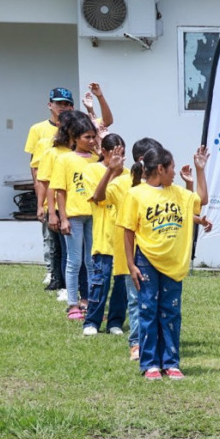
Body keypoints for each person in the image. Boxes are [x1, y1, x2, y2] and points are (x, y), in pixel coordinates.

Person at [120, 145, 208, 380]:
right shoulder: (135, 194)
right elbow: (128, 230)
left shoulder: (177, 193)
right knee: (148, 310)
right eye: (172, 168)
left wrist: (200, 170)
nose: (174, 173)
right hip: (146, 261)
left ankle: (171, 362)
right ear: (160, 168)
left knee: (171, 312)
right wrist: (131, 264)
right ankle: (149, 364)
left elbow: (202, 199)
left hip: (173, 262)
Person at [48, 114, 99, 320]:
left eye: (94, 137)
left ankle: (90, 301)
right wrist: (63, 217)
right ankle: (72, 303)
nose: (92, 141)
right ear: (76, 138)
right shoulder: (65, 159)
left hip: (94, 216)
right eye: (87, 137)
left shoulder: (96, 159)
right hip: (74, 216)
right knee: (74, 260)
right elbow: (60, 191)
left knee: (91, 261)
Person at [26, 87, 74, 290]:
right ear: (50, 105)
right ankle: (53, 273)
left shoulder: (77, 132)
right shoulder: (39, 132)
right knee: (51, 239)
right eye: (58, 103)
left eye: (66, 104)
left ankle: (65, 278)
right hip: (50, 195)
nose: (62, 107)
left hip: (72, 198)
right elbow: (36, 169)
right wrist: (40, 197)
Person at [82, 134, 129, 336]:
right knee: (100, 283)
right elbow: (97, 197)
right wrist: (111, 170)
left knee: (121, 285)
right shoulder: (91, 170)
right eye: (115, 153)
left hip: (123, 240)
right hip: (104, 238)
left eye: (122, 153)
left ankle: (115, 322)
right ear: (104, 152)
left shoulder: (128, 174)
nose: (119, 158)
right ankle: (92, 321)